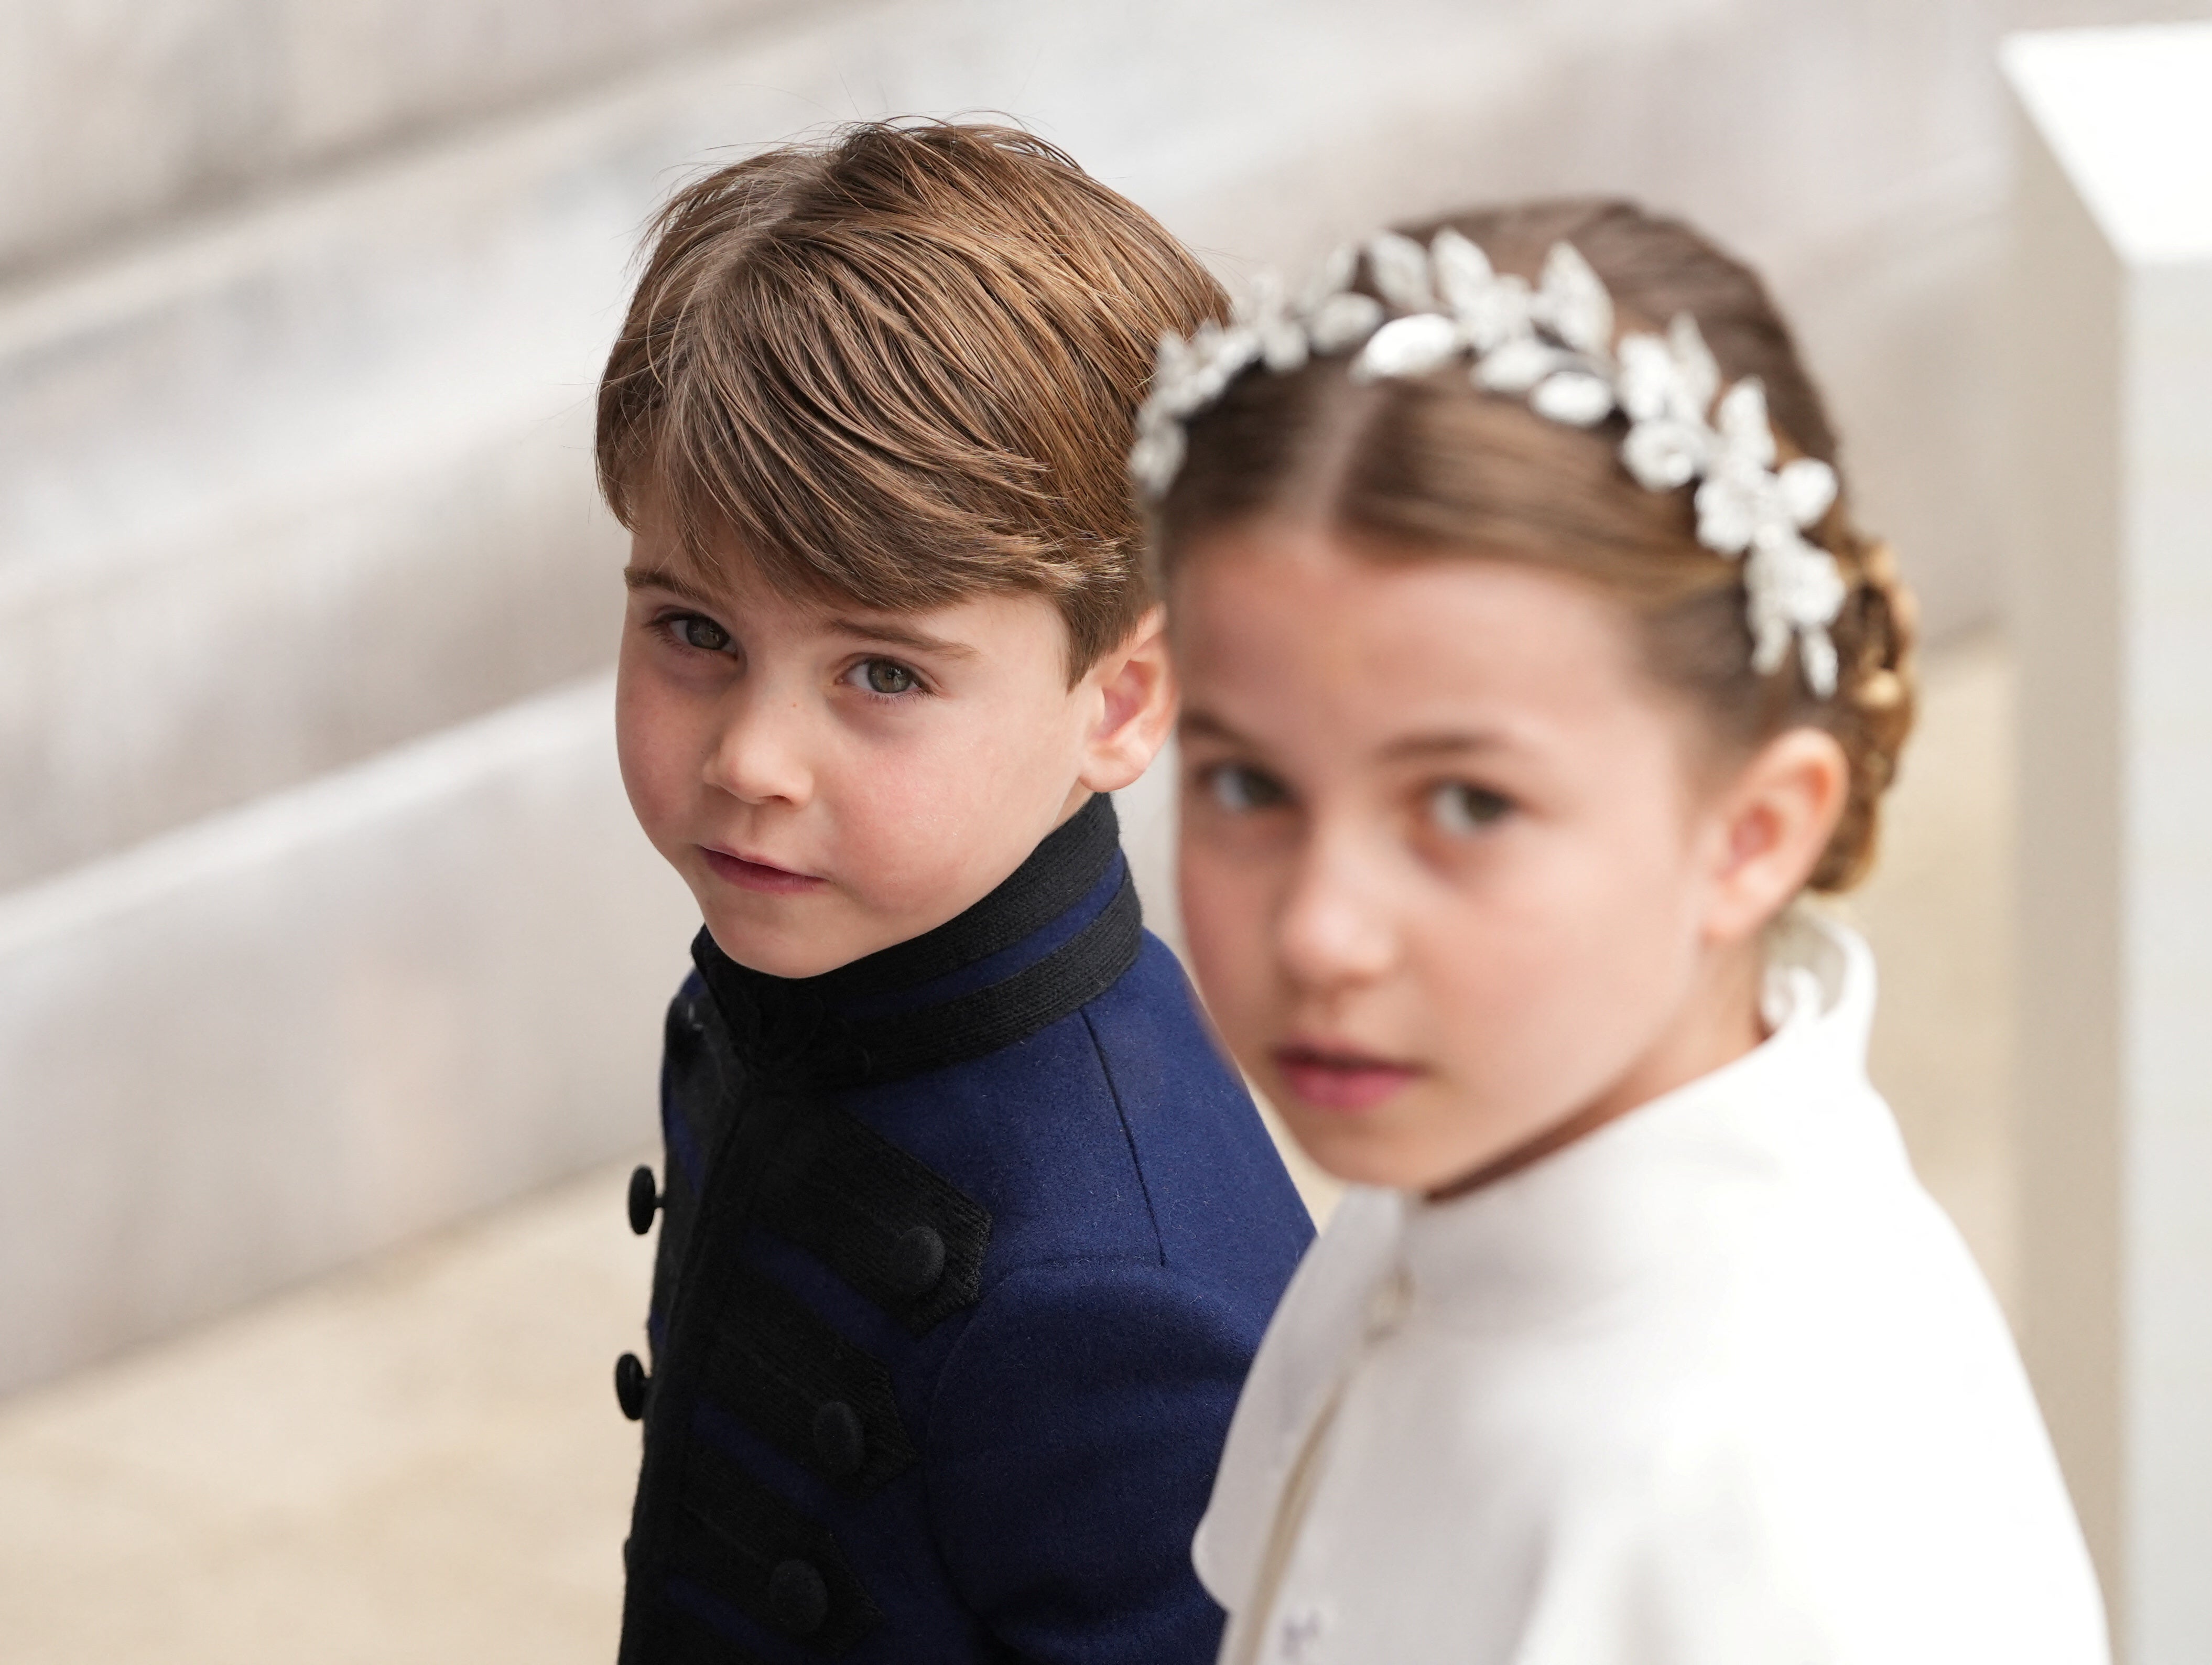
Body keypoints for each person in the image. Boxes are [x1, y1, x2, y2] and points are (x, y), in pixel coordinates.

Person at [1141, 199, 2109, 1664]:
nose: (1323, 932)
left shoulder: (1802, 1538)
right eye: (1246, 784)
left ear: (1751, 835)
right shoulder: (1442, 1185)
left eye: (1465, 805)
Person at [595, 121, 1314, 1664]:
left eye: (880, 671)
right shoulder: (802, 982)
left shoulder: (1118, 1306)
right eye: (697, 632)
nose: (753, 760)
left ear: (1120, 704)